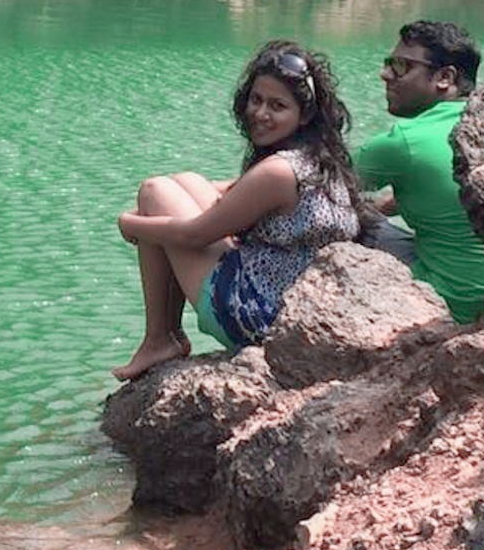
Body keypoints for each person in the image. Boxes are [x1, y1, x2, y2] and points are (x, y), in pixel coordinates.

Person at [112, 41, 363, 381]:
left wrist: (131, 224)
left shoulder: (277, 171)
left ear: (304, 115)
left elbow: (195, 234)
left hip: (255, 314)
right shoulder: (318, 160)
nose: (260, 113)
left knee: (155, 191)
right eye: (256, 100)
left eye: (277, 106)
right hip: (289, 305)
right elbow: (238, 190)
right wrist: (195, 186)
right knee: (185, 180)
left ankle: (159, 338)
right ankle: (165, 338)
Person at [354, 20, 484, 323]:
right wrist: (380, 207)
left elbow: (296, 183)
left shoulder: (405, 142)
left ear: (445, 77)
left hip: (446, 306)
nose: (385, 75)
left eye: (400, 66)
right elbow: (451, 189)